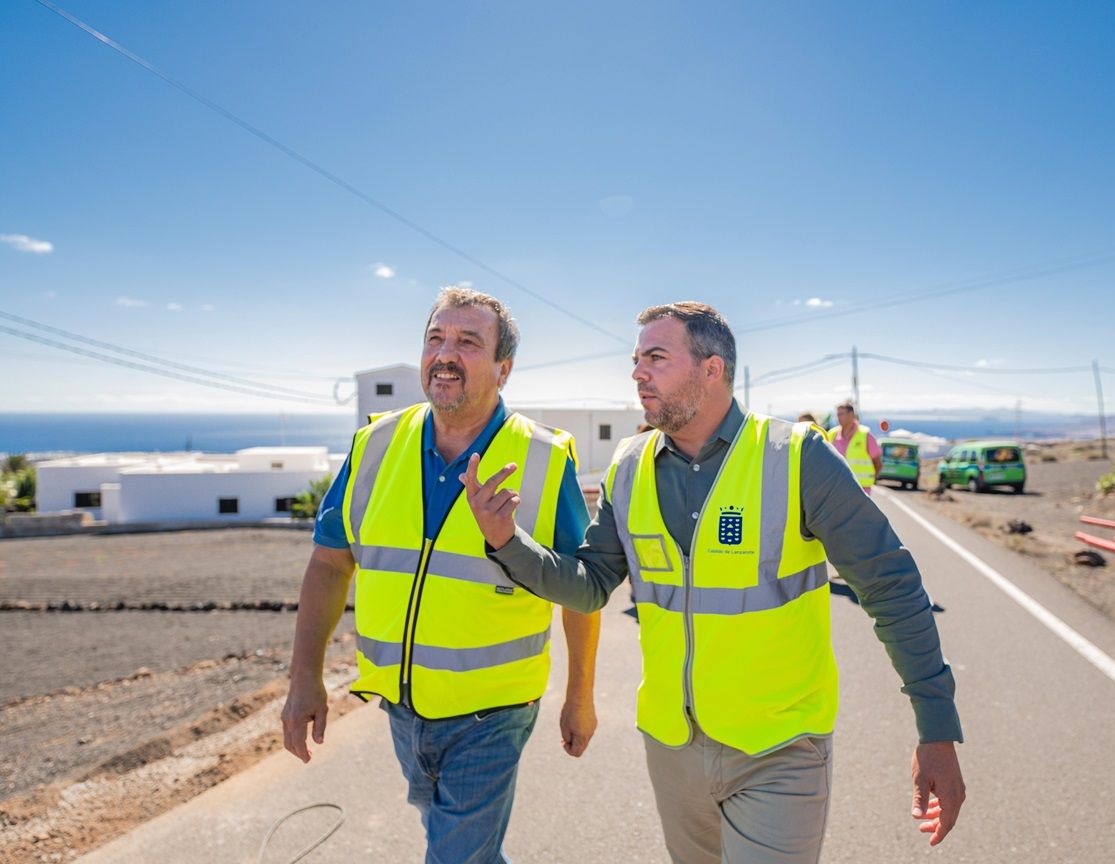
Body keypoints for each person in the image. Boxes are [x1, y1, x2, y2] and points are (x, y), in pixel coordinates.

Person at [466, 302, 965, 863]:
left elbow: (891, 588)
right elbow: (589, 585)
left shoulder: (796, 458)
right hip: (672, 749)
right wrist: (507, 540)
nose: (637, 373)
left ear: (713, 369)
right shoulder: (628, 468)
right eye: (635, 360)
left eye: (656, 357)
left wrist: (936, 729)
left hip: (779, 749)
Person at [282, 286, 600, 864]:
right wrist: (304, 676)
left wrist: (580, 696)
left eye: (468, 342)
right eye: (436, 338)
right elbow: (331, 561)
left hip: (493, 713)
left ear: (504, 369)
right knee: (462, 848)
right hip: (402, 708)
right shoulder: (375, 445)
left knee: (456, 857)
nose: (445, 353)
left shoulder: (546, 457)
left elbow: (581, 590)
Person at [829, 400, 883, 495]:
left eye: (841, 414)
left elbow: (877, 462)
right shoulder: (832, 434)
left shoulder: (865, 435)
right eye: (837, 414)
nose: (838, 417)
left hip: (861, 488)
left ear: (851, 415)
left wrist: (873, 478)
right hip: (837, 486)